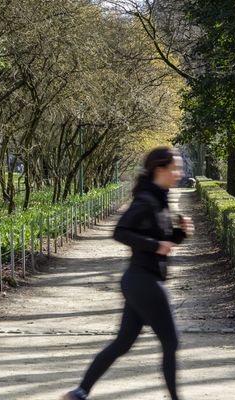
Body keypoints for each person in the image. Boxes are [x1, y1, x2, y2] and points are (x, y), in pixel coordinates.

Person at [62, 147, 192, 400]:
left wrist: (180, 233)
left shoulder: (160, 199)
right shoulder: (146, 201)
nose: (179, 173)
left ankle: (79, 392)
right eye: (175, 168)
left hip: (140, 280)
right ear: (160, 169)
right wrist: (157, 245)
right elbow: (120, 232)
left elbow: (161, 244)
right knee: (171, 341)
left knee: (123, 343)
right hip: (143, 281)